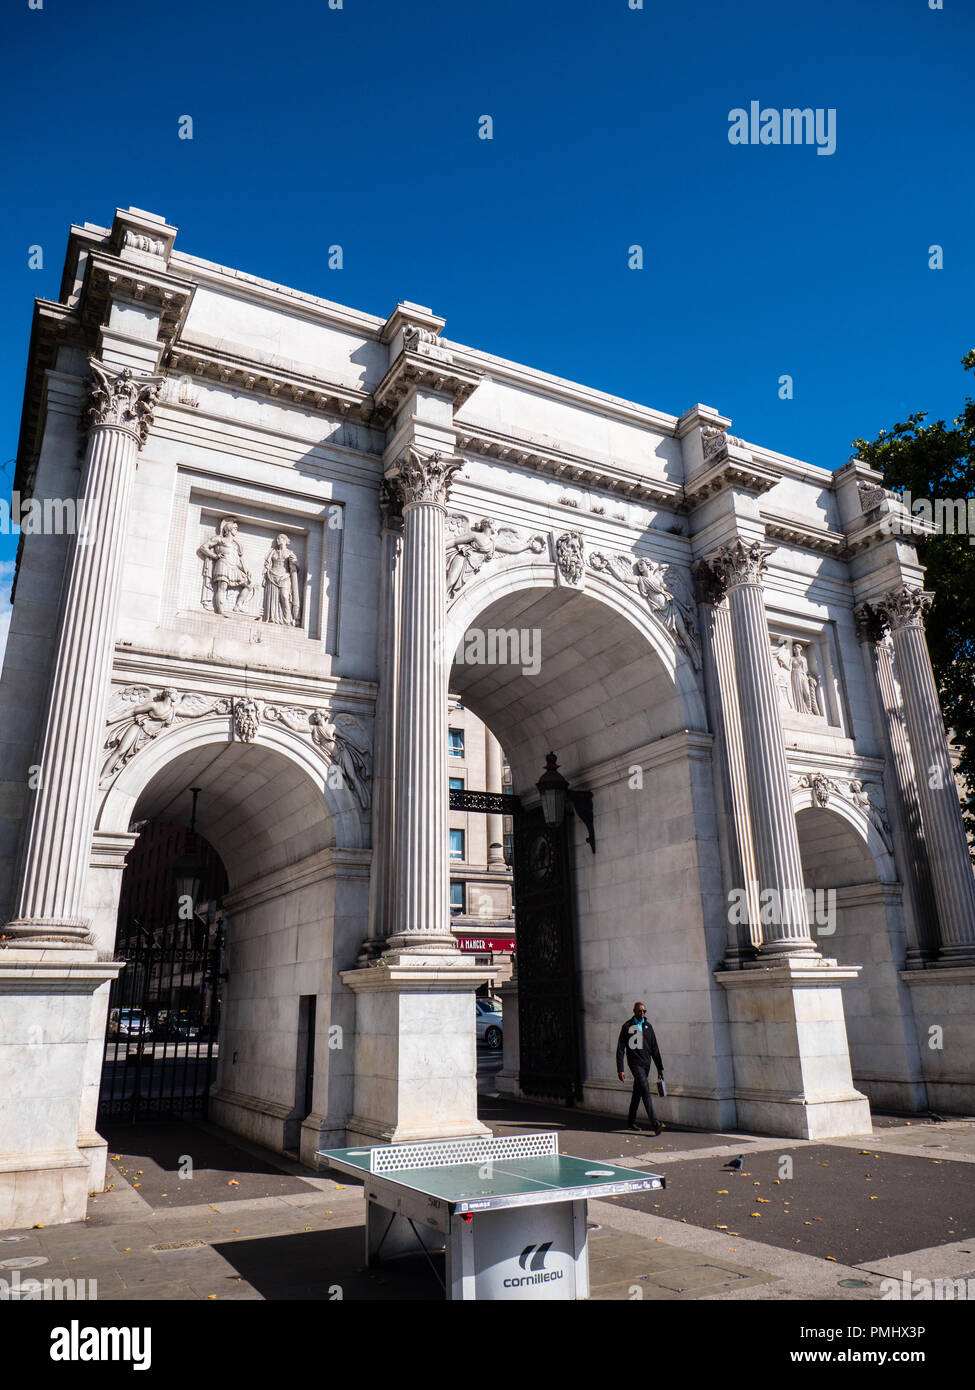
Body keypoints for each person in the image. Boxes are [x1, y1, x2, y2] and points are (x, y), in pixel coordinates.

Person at [616, 1001, 665, 1134]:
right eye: (640, 1011)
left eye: (644, 1011)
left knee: (637, 1093)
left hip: (646, 1064)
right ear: (634, 1011)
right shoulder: (627, 1026)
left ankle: (630, 1122)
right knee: (645, 1089)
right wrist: (620, 1069)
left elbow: (655, 1048)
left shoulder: (648, 1026)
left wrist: (659, 1068)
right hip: (635, 1064)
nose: (642, 1013)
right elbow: (620, 1049)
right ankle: (655, 1124)